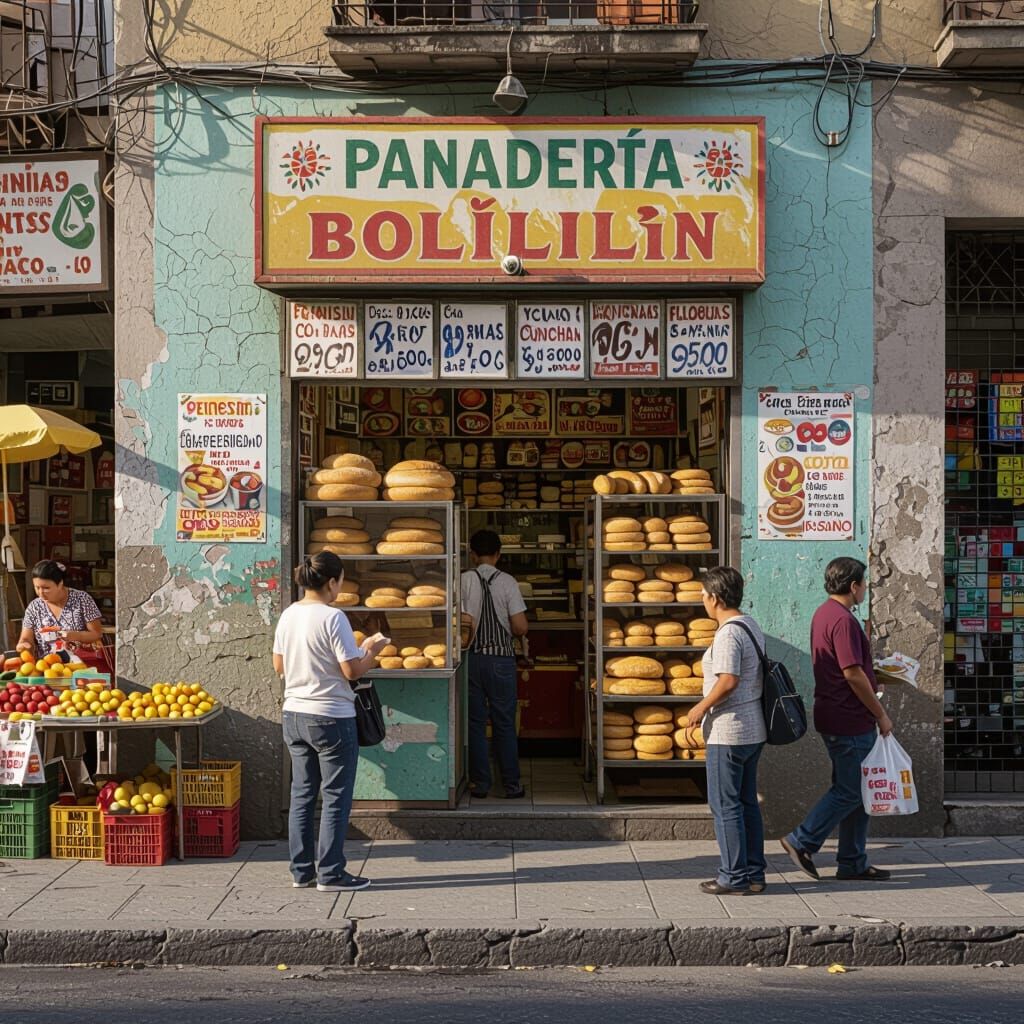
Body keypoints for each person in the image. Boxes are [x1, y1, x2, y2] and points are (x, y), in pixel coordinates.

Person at [272, 551, 389, 893]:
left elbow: (279, 667)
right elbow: (351, 670)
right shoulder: (333, 617)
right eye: (340, 582)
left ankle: (301, 871)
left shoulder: (289, 615)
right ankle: (332, 873)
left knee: (302, 794)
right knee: (336, 796)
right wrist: (372, 651)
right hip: (331, 718)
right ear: (333, 582)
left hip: (294, 714)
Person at [781, 557, 893, 882]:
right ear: (854, 586)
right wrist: (881, 714)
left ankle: (853, 862)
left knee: (858, 790)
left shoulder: (824, 614)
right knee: (849, 791)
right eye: (864, 584)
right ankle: (801, 841)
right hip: (849, 719)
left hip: (838, 713)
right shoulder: (842, 620)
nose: (865, 589)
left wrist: (875, 679)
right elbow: (852, 674)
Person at [686, 566, 768, 895]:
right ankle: (755, 875)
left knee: (726, 805)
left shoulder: (728, 632)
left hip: (728, 732)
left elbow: (728, 680)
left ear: (716, 598)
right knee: (746, 802)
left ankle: (733, 876)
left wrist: (700, 707)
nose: (703, 602)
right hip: (752, 729)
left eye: (704, 596)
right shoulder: (750, 625)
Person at [461, 529, 528, 799]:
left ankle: (481, 784)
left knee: (476, 723)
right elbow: (520, 626)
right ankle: (511, 785)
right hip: (501, 660)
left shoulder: (463, 579)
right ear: (499, 554)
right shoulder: (508, 582)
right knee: (503, 723)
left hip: (473, 660)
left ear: (472, 555)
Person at [17, 560, 106, 667]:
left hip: (81, 667)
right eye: (37, 587)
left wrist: (75, 635)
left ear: (60, 583)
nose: (40, 593)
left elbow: (96, 633)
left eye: (46, 588)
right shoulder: (34, 607)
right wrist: (24, 645)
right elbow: (26, 638)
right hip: (47, 669)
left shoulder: (82, 599)